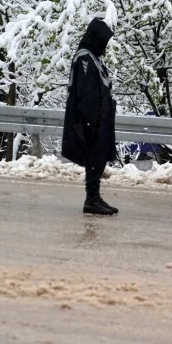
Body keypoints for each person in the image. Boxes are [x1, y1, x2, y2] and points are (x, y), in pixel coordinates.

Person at [62, 18, 118, 215]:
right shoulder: (85, 58)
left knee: (99, 158)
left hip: (99, 120)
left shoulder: (92, 58)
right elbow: (86, 93)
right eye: (103, 41)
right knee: (94, 158)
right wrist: (89, 122)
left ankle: (94, 197)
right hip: (91, 121)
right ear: (96, 39)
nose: (105, 46)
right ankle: (91, 199)